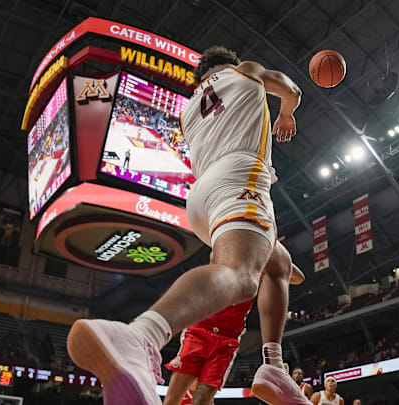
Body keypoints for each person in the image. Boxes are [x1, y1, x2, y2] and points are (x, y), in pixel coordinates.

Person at [66, 45, 303, 405]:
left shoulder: (189, 110)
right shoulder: (247, 70)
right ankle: (140, 335)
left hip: (201, 202)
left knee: (279, 264)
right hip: (239, 176)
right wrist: (286, 114)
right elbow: (292, 90)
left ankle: (273, 365)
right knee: (239, 276)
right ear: (231, 64)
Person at [164, 247, 305, 405]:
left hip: (228, 339)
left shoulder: (260, 264)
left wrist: (270, 250)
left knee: (203, 400)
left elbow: (297, 277)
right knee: (173, 399)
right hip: (201, 329)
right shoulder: (230, 243)